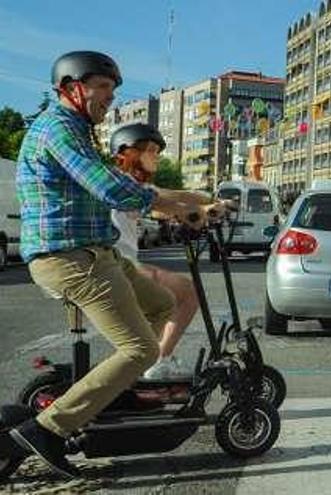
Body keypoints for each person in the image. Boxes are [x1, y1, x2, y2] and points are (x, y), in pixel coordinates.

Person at [12, 51, 224, 479]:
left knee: (165, 303)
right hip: (69, 258)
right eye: (103, 87)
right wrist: (180, 210)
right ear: (73, 87)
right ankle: (48, 428)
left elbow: (133, 186)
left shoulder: (79, 130)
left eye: (113, 89)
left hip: (97, 253)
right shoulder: (58, 129)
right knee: (140, 349)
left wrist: (195, 203)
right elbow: (111, 188)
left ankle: (115, 389)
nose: (110, 97)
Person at [109, 123, 205, 380]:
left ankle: (151, 359)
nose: (156, 157)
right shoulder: (124, 184)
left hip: (120, 263)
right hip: (117, 265)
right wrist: (203, 206)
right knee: (187, 294)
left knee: (167, 299)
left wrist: (211, 202)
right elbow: (171, 199)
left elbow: (168, 200)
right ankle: (157, 360)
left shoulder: (126, 183)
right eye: (150, 150)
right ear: (129, 153)